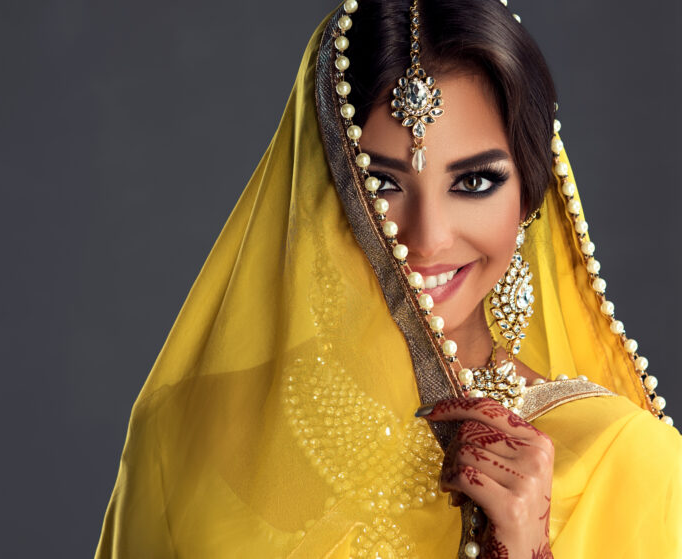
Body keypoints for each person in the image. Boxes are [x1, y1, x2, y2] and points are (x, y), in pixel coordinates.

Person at [94, 0, 681, 557]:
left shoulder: (621, 460)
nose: (427, 238)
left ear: (529, 195)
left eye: (474, 182)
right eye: (381, 185)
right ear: (322, 193)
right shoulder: (188, 437)